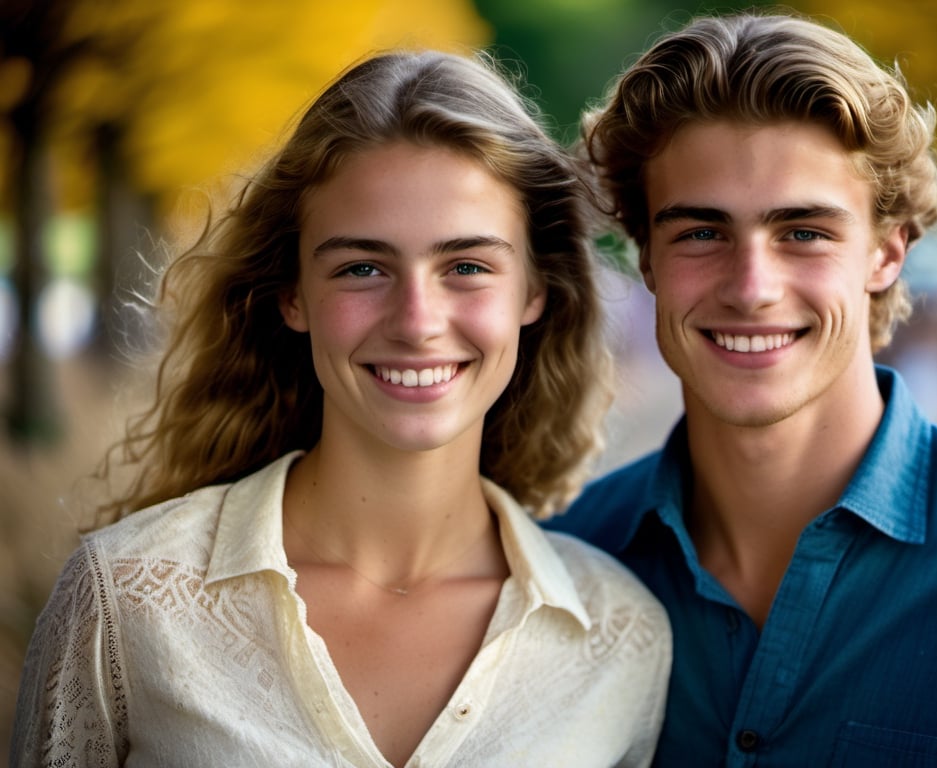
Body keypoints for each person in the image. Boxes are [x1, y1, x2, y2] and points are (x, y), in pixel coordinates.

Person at [11, 50, 671, 767]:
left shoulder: (621, 635)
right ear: (293, 294)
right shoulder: (128, 598)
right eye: (362, 267)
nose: (417, 321)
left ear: (535, 293)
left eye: (467, 267)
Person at [547, 10, 937, 765]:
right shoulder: (561, 570)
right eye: (701, 232)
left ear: (888, 254)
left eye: (804, 231)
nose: (752, 287)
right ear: (646, 261)